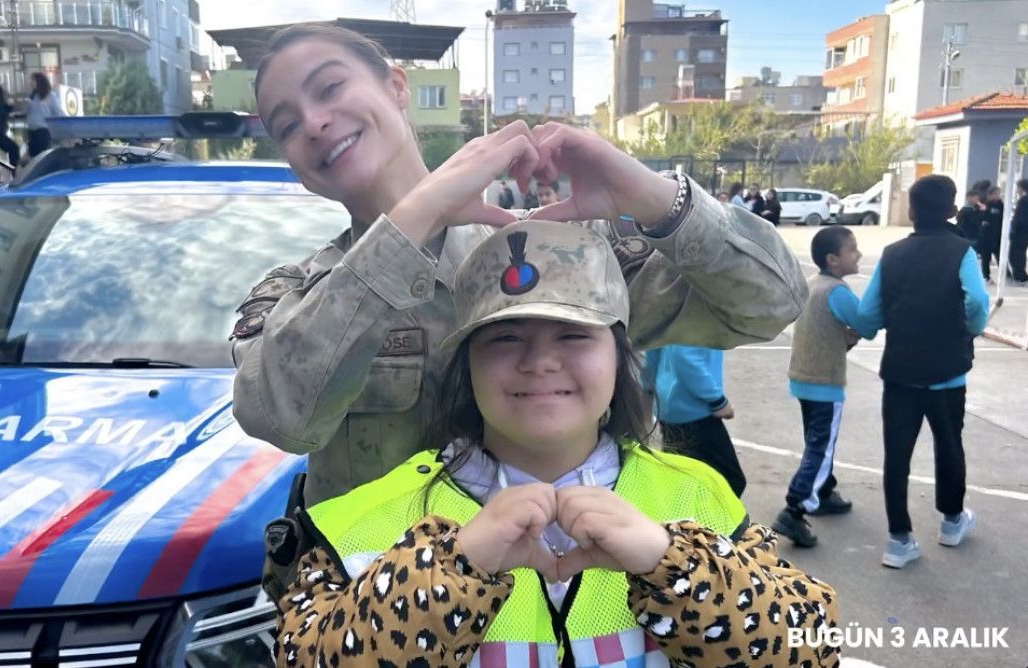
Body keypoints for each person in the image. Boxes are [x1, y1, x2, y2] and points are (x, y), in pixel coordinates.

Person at [231, 23, 808, 506]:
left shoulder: (561, 252)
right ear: (294, 164)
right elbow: (283, 419)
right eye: (287, 125)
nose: (314, 122)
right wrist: (416, 218)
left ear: (397, 86)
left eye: (330, 87)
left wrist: (653, 196)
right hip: (391, 603)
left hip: (569, 591)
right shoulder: (295, 300)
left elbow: (770, 303)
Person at [272, 220, 841, 667]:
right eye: (505, 337)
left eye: (573, 334)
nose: (540, 361)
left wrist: (674, 565)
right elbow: (304, 654)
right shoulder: (367, 521)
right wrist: (449, 573)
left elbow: (811, 647)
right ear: (466, 366)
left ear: (620, 357)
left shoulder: (696, 497)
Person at [854, 174, 989, 569]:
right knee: (949, 444)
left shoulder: (892, 254)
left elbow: (867, 314)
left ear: (911, 211)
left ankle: (899, 539)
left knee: (897, 455)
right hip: (948, 371)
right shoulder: (962, 251)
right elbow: (977, 302)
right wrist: (971, 328)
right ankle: (951, 521)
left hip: (900, 371)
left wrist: (869, 328)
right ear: (952, 210)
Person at [772, 226, 864, 549]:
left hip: (803, 378)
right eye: (852, 249)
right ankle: (795, 508)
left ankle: (823, 491)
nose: (858, 254)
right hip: (825, 382)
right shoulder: (838, 291)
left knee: (817, 440)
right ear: (833, 259)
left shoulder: (812, 284)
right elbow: (865, 321)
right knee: (820, 447)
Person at [643, 345, 745, 497]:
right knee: (730, 479)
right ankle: (700, 512)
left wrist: (648, 387)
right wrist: (717, 401)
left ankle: (680, 509)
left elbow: (653, 350)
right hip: (692, 409)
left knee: (680, 478)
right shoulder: (694, 328)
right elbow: (684, 356)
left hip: (669, 404)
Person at [25, 72, 63, 159]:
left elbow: (58, 112)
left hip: (43, 131)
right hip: (32, 131)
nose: (31, 83)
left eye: (33, 80)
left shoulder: (50, 96)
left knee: (42, 156)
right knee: (33, 157)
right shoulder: (33, 96)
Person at [979, 185, 1004, 281]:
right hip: (986, 235)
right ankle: (986, 276)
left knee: (1000, 256)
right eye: (996, 194)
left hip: (997, 235)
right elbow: (980, 217)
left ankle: (1005, 275)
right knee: (986, 257)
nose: (998, 196)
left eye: (999, 194)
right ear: (990, 194)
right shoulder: (983, 203)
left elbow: (1001, 217)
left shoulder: (1000, 204)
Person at [1009, 178, 1028, 283]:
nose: (1016, 189)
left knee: (1015, 254)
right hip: (1024, 231)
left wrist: (1013, 228)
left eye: (1017, 187)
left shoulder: (1023, 200)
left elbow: (1020, 217)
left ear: (1021, 188)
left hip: (1020, 231)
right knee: (1020, 253)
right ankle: (1020, 275)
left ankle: (1020, 276)